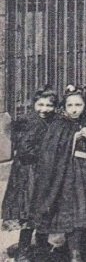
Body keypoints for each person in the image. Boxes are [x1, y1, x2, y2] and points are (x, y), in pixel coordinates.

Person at [31, 85, 86, 262]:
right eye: (70, 105)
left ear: (84, 106)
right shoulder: (59, 125)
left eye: (78, 105)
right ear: (64, 107)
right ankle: (73, 253)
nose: (74, 109)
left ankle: (82, 250)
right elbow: (50, 151)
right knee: (71, 214)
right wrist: (74, 137)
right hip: (67, 176)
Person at [2, 87, 57, 262]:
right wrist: (48, 152)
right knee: (29, 212)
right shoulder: (31, 122)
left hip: (41, 173)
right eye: (40, 104)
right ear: (34, 104)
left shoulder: (51, 121)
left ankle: (41, 247)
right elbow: (25, 150)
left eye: (49, 105)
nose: (44, 109)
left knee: (42, 211)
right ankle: (23, 252)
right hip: (29, 174)